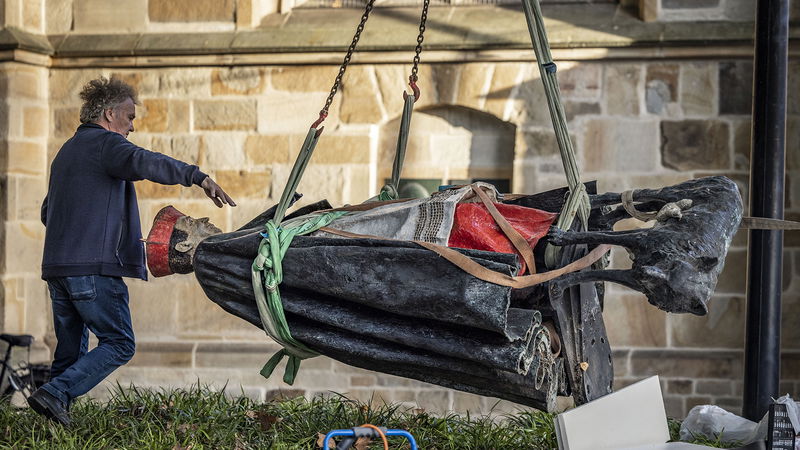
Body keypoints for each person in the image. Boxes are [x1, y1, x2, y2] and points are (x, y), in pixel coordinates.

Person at [29, 77, 236, 425]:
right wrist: (198, 177)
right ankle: (55, 394)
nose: (132, 125)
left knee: (68, 354)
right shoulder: (106, 145)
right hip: (93, 271)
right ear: (109, 114)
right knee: (120, 342)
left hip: (58, 271)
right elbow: (145, 161)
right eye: (128, 116)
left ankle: (50, 425)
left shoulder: (66, 153)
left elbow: (48, 212)